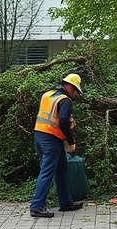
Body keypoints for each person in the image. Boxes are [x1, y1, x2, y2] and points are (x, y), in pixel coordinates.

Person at [30, 73, 85, 217]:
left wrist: (67, 119)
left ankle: (66, 202)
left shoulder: (47, 95)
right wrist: (71, 142)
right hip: (50, 138)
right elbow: (62, 121)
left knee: (61, 169)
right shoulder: (64, 99)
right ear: (70, 86)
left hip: (40, 134)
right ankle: (37, 206)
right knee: (47, 171)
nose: (76, 94)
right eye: (76, 91)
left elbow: (51, 115)